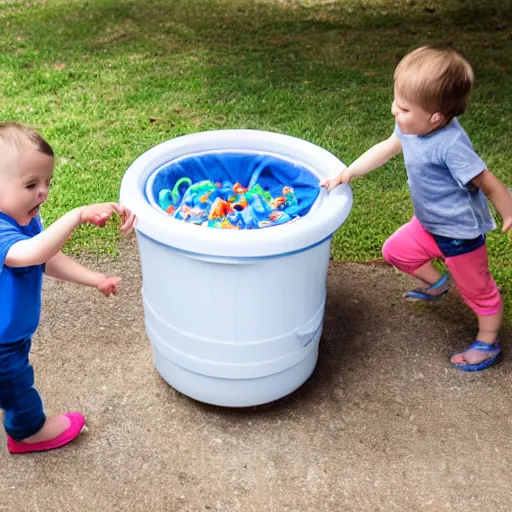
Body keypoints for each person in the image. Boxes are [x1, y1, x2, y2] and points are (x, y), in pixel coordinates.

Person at [322, 46, 512, 372]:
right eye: (396, 100)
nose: (394, 110)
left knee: (480, 293)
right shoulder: (411, 127)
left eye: (404, 107)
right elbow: (386, 148)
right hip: (427, 225)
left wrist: (509, 214)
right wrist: (350, 171)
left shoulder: (452, 146)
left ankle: (488, 341)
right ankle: (440, 282)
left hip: (458, 236)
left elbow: (490, 184)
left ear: (436, 117)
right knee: (395, 251)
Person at [0, 122, 136, 454]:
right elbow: (32, 253)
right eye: (31, 184)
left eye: (47, 182)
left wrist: (95, 279)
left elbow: (46, 259)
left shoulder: (25, 219)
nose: (43, 192)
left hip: (11, 336)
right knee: (18, 389)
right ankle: (28, 432)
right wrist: (76, 216)